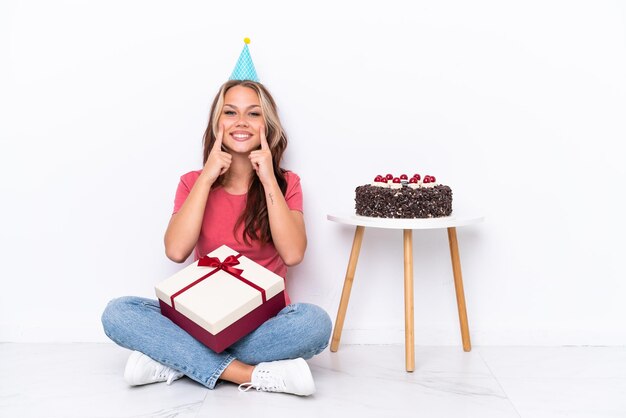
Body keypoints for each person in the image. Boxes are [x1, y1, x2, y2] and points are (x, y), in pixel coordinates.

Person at [100, 79, 332, 396]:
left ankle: (176, 361)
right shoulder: (193, 182)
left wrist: (267, 177)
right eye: (230, 112)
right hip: (198, 321)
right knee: (119, 312)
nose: (240, 123)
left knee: (314, 324)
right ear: (216, 123)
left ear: (268, 125)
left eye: (253, 114)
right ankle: (247, 373)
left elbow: (292, 254)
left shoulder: (285, 183)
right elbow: (176, 250)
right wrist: (208, 177)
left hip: (261, 325)